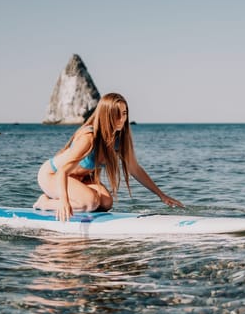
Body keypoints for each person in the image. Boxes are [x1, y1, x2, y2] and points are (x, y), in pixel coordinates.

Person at [33, 92, 184, 221]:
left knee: (106, 203)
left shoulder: (119, 141)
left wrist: (162, 195)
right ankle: (44, 202)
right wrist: (64, 202)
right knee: (90, 203)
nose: (122, 119)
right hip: (53, 175)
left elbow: (135, 169)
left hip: (79, 179)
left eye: (124, 114)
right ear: (106, 115)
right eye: (116, 115)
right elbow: (63, 171)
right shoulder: (89, 137)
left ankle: (76, 200)